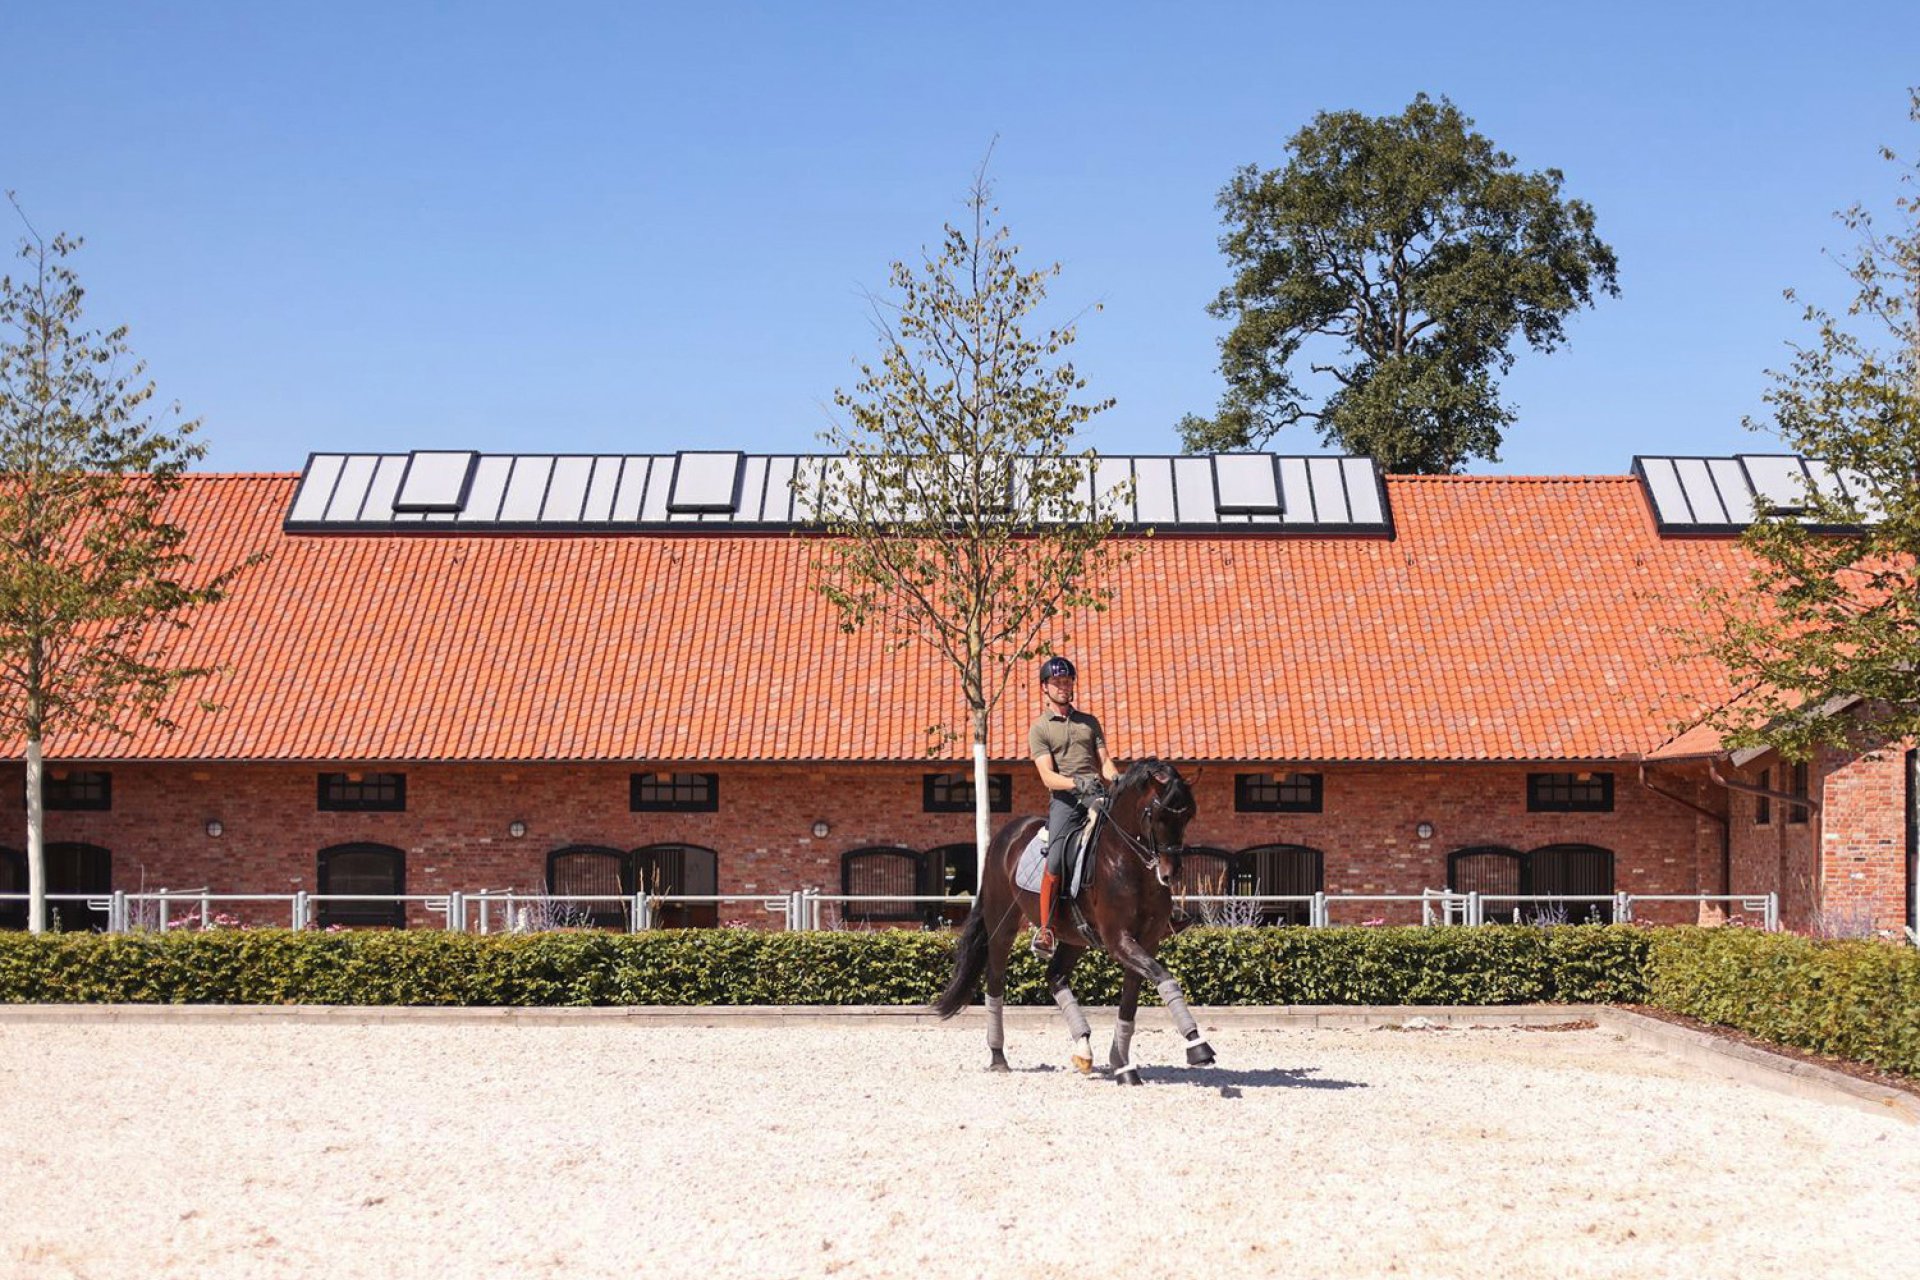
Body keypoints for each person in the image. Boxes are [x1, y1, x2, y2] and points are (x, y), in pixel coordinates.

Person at [1026, 655, 1120, 958]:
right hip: (1066, 802)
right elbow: (1047, 777)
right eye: (1057, 683)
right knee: (1055, 859)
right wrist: (1075, 783)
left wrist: (1118, 780)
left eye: (1067, 682)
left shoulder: (1089, 722)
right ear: (1045, 688)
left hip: (1096, 795)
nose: (1064, 687)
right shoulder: (1040, 728)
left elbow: (1104, 762)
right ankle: (1047, 930)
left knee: (1132, 838)